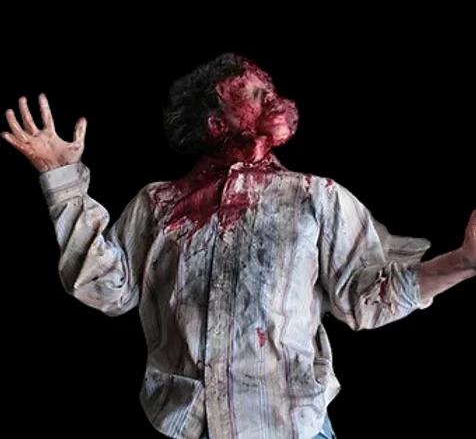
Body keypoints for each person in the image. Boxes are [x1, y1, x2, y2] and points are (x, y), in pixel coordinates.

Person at [2, 53, 475, 439]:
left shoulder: (317, 197)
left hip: (291, 428)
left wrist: (463, 262)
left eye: (270, 89)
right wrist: (61, 180)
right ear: (215, 123)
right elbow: (109, 291)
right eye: (254, 94)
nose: (273, 99)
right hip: (182, 427)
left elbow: (364, 298)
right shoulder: (158, 204)